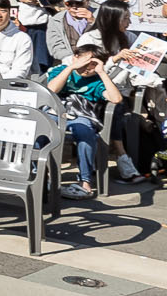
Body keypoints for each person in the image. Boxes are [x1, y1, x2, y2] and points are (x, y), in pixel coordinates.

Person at [40, 40, 123, 199]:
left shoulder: (97, 81)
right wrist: (72, 67)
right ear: (75, 57)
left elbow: (116, 98)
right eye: (85, 62)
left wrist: (102, 73)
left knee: (85, 132)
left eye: (93, 64)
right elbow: (52, 89)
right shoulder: (62, 70)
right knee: (41, 129)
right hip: (54, 111)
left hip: (81, 115)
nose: (88, 68)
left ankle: (85, 182)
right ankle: (43, 176)